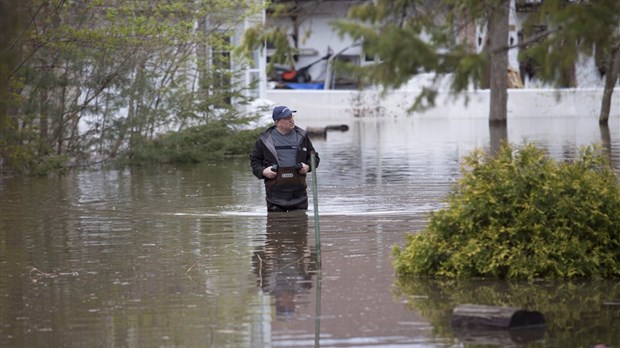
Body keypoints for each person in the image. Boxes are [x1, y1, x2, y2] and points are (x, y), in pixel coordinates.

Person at [250, 105, 320, 212]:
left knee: (300, 225)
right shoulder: (264, 139)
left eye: (291, 116)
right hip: (274, 194)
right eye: (287, 118)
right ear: (277, 122)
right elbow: (255, 161)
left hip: (299, 194)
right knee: (276, 226)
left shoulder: (302, 136)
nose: (291, 120)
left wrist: (308, 166)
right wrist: (263, 171)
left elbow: (314, 157)